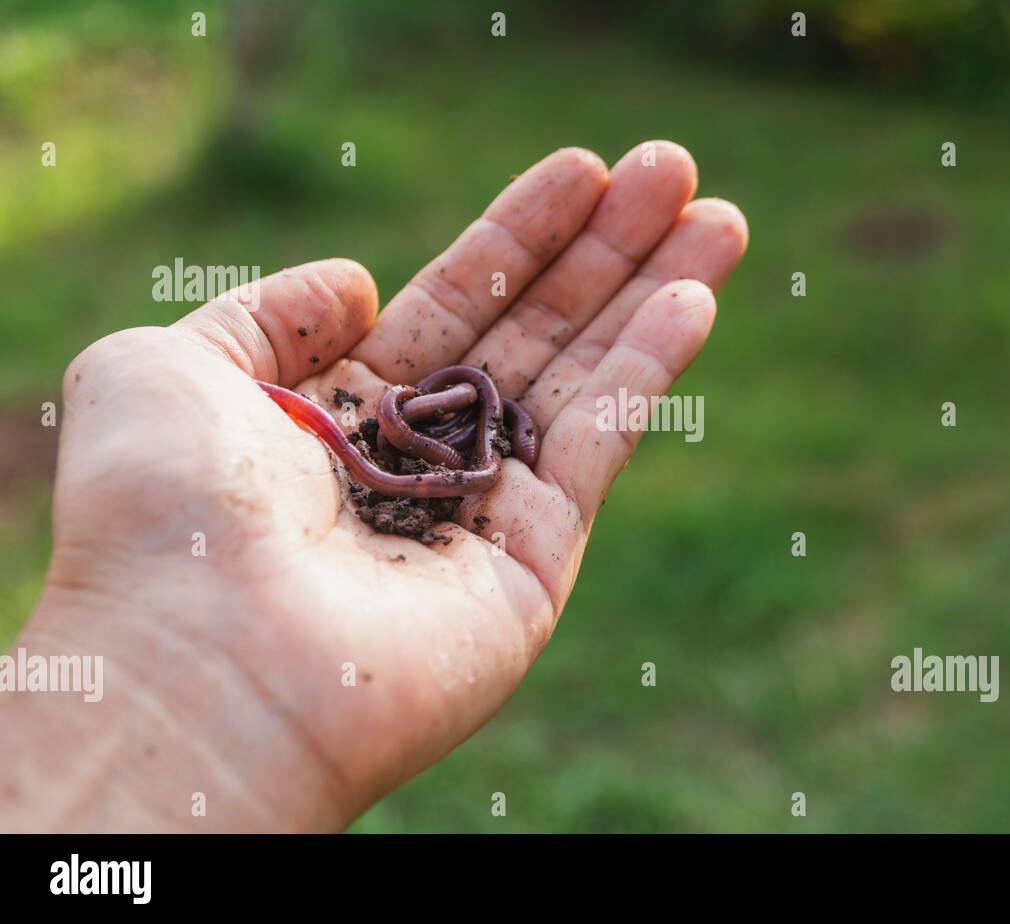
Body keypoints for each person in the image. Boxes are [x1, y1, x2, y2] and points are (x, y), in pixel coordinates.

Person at [0, 140, 747, 831]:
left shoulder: (453, 440)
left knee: (462, 438)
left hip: (447, 442)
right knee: (447, 439)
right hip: (433, 446)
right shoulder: (407, 436)